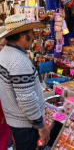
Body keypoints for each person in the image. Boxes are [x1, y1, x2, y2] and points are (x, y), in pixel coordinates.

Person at [0, 14, 50, 150]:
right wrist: (41, 127)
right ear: (22, 35)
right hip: (26, 125)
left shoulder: (5, 52)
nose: (34, 37)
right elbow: (26, 99)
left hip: (15, 120)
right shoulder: (18, 61)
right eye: (31, 33)